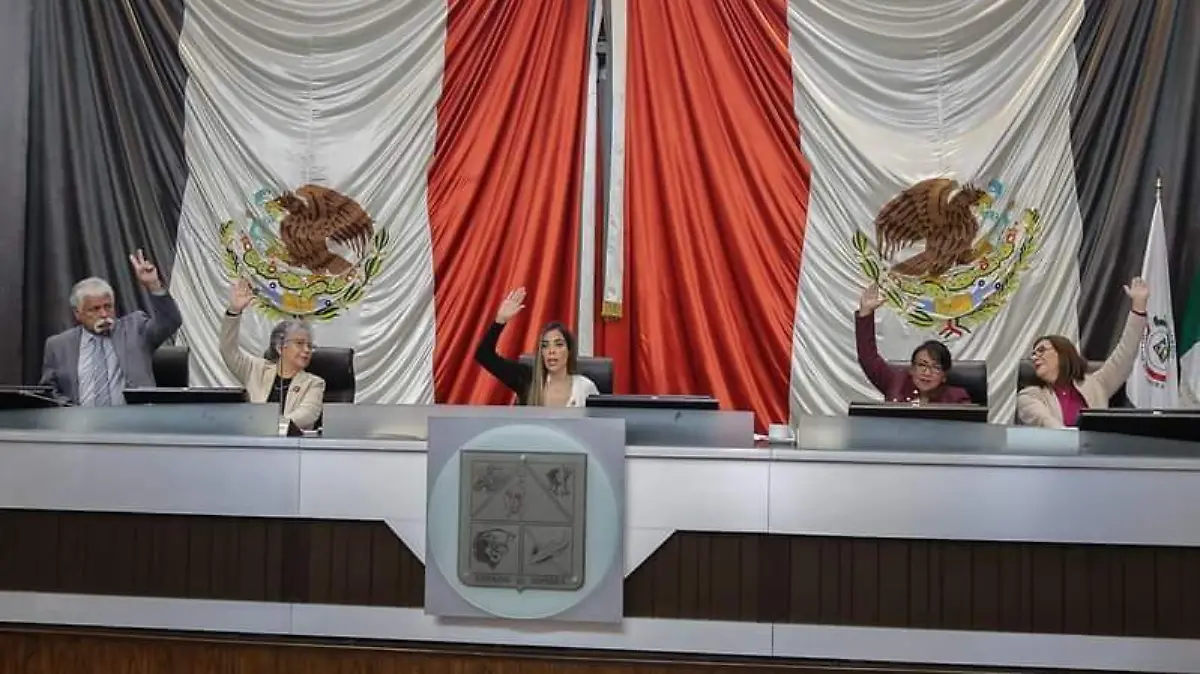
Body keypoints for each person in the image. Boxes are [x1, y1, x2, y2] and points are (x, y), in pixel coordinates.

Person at [39, 250, 183, 406]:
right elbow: (50, 391)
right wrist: (69, 409)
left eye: (108, 306)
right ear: (77, 313)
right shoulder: (58, 345)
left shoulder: (135, 328)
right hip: (80, 419)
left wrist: (154, 285)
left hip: (132, 418)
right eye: (94, 309)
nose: (103, 314)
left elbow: (170, 321)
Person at [1017, 277, 1149, 428]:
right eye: (1033, 354)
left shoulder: (1096, 385)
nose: (1035, 357)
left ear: (1062, 353)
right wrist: (1069, 437)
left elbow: (1125, 353)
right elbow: (1043, 419)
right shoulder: (1030, 395)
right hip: (1059, 443)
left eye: (1041, 350)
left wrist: (1139, 306)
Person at [223, 279, 325, 431]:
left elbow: (306, 416)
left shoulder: (314, 383)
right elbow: (228, 350)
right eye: (299, 343)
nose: (306, 350)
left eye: (310, 346)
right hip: (254, 440)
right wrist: (234, 312)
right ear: (280, 348)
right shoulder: (256, 369)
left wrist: (268, 426)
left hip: (291, 443)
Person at [475, 287, 599, 406]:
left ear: (569, 350)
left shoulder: (585, 387)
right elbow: (484, 355)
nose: (551, 351)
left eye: (558, 345)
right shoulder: (527, 379)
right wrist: (500, 321)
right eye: (545, 346)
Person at [855, 284, 971, 404]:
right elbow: (868, 358)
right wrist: (866, 312)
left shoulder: (957, 398)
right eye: (922, 365)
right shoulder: (895, 383)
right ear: (911, 369)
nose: (927, 373)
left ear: (944, 376)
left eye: (936, 367)